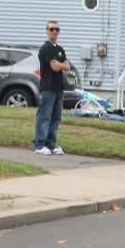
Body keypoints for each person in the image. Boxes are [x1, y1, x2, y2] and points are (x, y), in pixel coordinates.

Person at [32, 20, 70, 155]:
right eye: (51, 29)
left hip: (59, 88)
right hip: (48, 88)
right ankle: (38, 144)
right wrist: (61, 64)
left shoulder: (60, 49)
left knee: (55, 118)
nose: (54, 31)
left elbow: (68, 66)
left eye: (57, 29)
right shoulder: (45, 48)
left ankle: (51, 144)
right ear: (46, 31)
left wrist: (61, 64)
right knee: (44, 117)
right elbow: (55, 67)